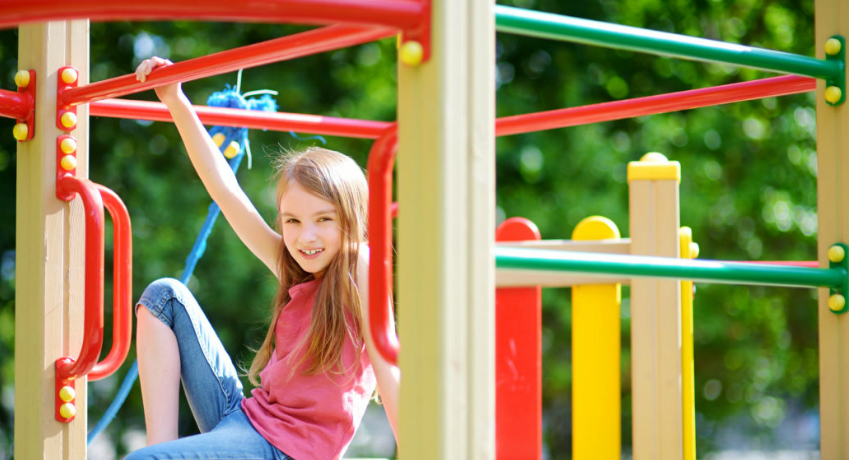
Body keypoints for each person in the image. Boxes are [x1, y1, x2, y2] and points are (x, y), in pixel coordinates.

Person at [126, 56, 399, 460]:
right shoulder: (292, 265)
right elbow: (226, 191)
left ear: (351, 221)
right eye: (293, 220)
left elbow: (388, 362)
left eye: (323, 220)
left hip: (288, 450)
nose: (306, 236)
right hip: (246, 420)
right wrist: (174, 98)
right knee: (163, 297)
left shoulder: (357, 267)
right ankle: (161, 449)